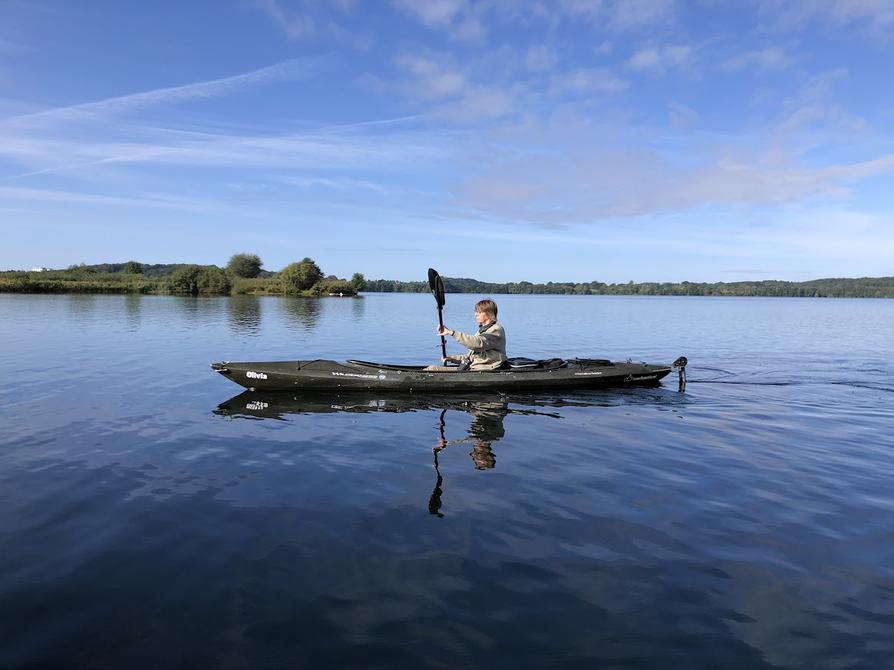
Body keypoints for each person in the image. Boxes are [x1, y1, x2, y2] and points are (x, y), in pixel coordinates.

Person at [425, 299, 507, 372]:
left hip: (485, 369)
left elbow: (477, 344)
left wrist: (452, 333)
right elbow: (471, 357)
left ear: (488, 314)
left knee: (432, 369)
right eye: (476, 312)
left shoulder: (496, 330)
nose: (475, 314)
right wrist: (452, 358)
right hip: (474, 367)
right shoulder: (482, 331)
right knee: (432, 368)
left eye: (479, 312)